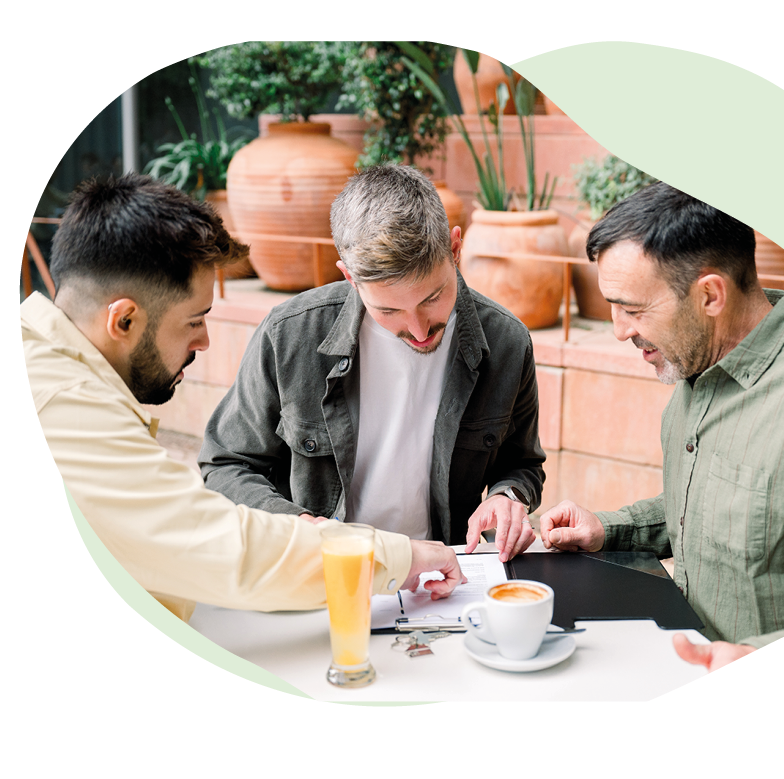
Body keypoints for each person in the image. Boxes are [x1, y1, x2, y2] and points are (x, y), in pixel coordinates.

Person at [22, 172, 464, 623]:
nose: (205, 342)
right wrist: (398, 558)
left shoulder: (45, 369)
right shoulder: (61, 403)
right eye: (195, 321)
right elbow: (216, 545)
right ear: (124, 322)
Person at [539, 182, 784, 671]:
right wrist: (609, 529)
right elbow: (729, 510)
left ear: (710, 295)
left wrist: (759, 659)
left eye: (634, 309)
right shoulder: (696, 366)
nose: (620, 329)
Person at [199, 164, 545, 563]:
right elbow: (226, 463)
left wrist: (507, 496)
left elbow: (522, 464)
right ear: (349, 277)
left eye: (432, 297)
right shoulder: (289, 334)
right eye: (389, 309)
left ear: (455, 249)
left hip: (443, 574)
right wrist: (301, 528)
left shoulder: (507, 342)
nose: (417, 330)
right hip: (324, 571)